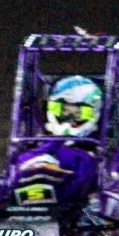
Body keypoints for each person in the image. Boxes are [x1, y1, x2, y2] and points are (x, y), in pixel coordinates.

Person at [12, 75, 102, 206]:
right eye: (63, 110)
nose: (68, 118)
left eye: (77, 113)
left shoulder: (88, 155)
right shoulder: (38, 145)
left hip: (69, 204)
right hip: (25, 193)